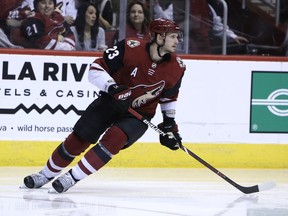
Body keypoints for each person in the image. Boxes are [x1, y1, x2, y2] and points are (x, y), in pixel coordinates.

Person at [22, 18, 185, 193]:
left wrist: (169, 126)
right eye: (173, 37)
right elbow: (96, 69)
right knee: (78, 140)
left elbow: (169, 98)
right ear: (159, 38)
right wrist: (113, 88)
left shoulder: (177, 67)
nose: (177, 41)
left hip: (138, 114)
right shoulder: (130, 48)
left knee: (115, 138)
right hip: (112, 100)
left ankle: (72, 177)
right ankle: (45, 174)